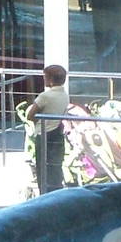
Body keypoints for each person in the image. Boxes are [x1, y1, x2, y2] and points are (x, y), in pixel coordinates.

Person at [26, 63, 70, 194]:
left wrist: (37, 121)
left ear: (50, 79)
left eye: (45, 77)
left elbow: (30, 115)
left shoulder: (45, 96)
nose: (43, 79)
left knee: (42, 169)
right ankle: (56, 194)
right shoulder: (65, 95)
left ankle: (44, 195)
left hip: (44, 134)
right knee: (55, 167)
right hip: (57, 133)